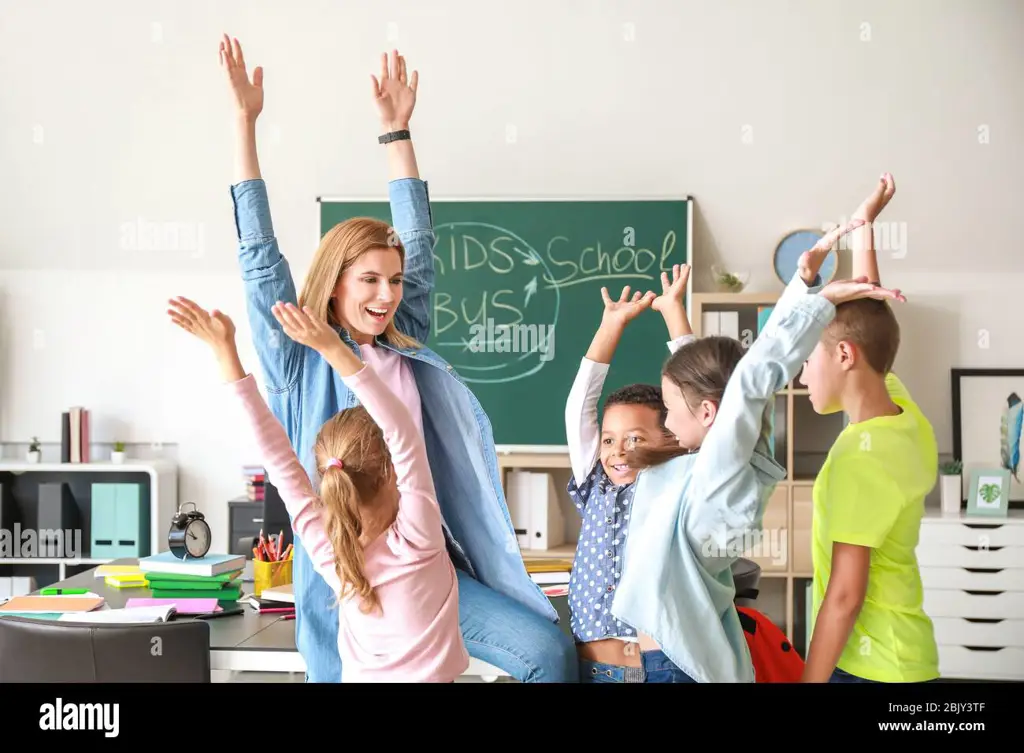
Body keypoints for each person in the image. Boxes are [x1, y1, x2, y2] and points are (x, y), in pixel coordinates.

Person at [219, 36, 574, 683]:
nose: (388, 295)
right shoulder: (298, 356)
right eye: (370, 281)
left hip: (422, 564)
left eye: (395, 280)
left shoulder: (403, 340)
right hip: (341, 579)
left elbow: (420, 240)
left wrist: (396, 131)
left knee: (547, 653)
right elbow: (259, 257)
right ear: (335, 284)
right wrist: (245, 123)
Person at [610, 218, 906, 682]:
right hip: (672, 660)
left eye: (668, 408)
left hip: (677, 667)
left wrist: (819, 302)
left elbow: (747, 384)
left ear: (709, 414)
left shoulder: (718, 475)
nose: (665, 421)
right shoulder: (720, 460)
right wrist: (802, 282)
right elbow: (722, 385)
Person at [166, 297, 468, 683]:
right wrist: (332, 349)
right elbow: (401, 429)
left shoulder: (334, 555)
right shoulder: (418, 537)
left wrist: (225, 352)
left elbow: (279, 460)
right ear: (393, 468)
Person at [798, 173, 940, 683]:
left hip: (866, 666)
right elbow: (868, 326)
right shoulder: (903, 418)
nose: (800, 373)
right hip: (909, 657)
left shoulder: (861, 455)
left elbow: (843, 596)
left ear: (841, 356)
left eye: (808, 358)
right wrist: (864, 227)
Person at [564, 265, 695, 682]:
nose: (618, 451)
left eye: (635, 439)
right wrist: (611, 326)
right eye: (608, 439)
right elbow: (579, 407)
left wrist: (674, 313)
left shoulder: (672, 483)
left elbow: (698, 402)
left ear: (671, 440)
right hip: (596, 669)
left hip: (662, 668)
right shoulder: (594, 484)